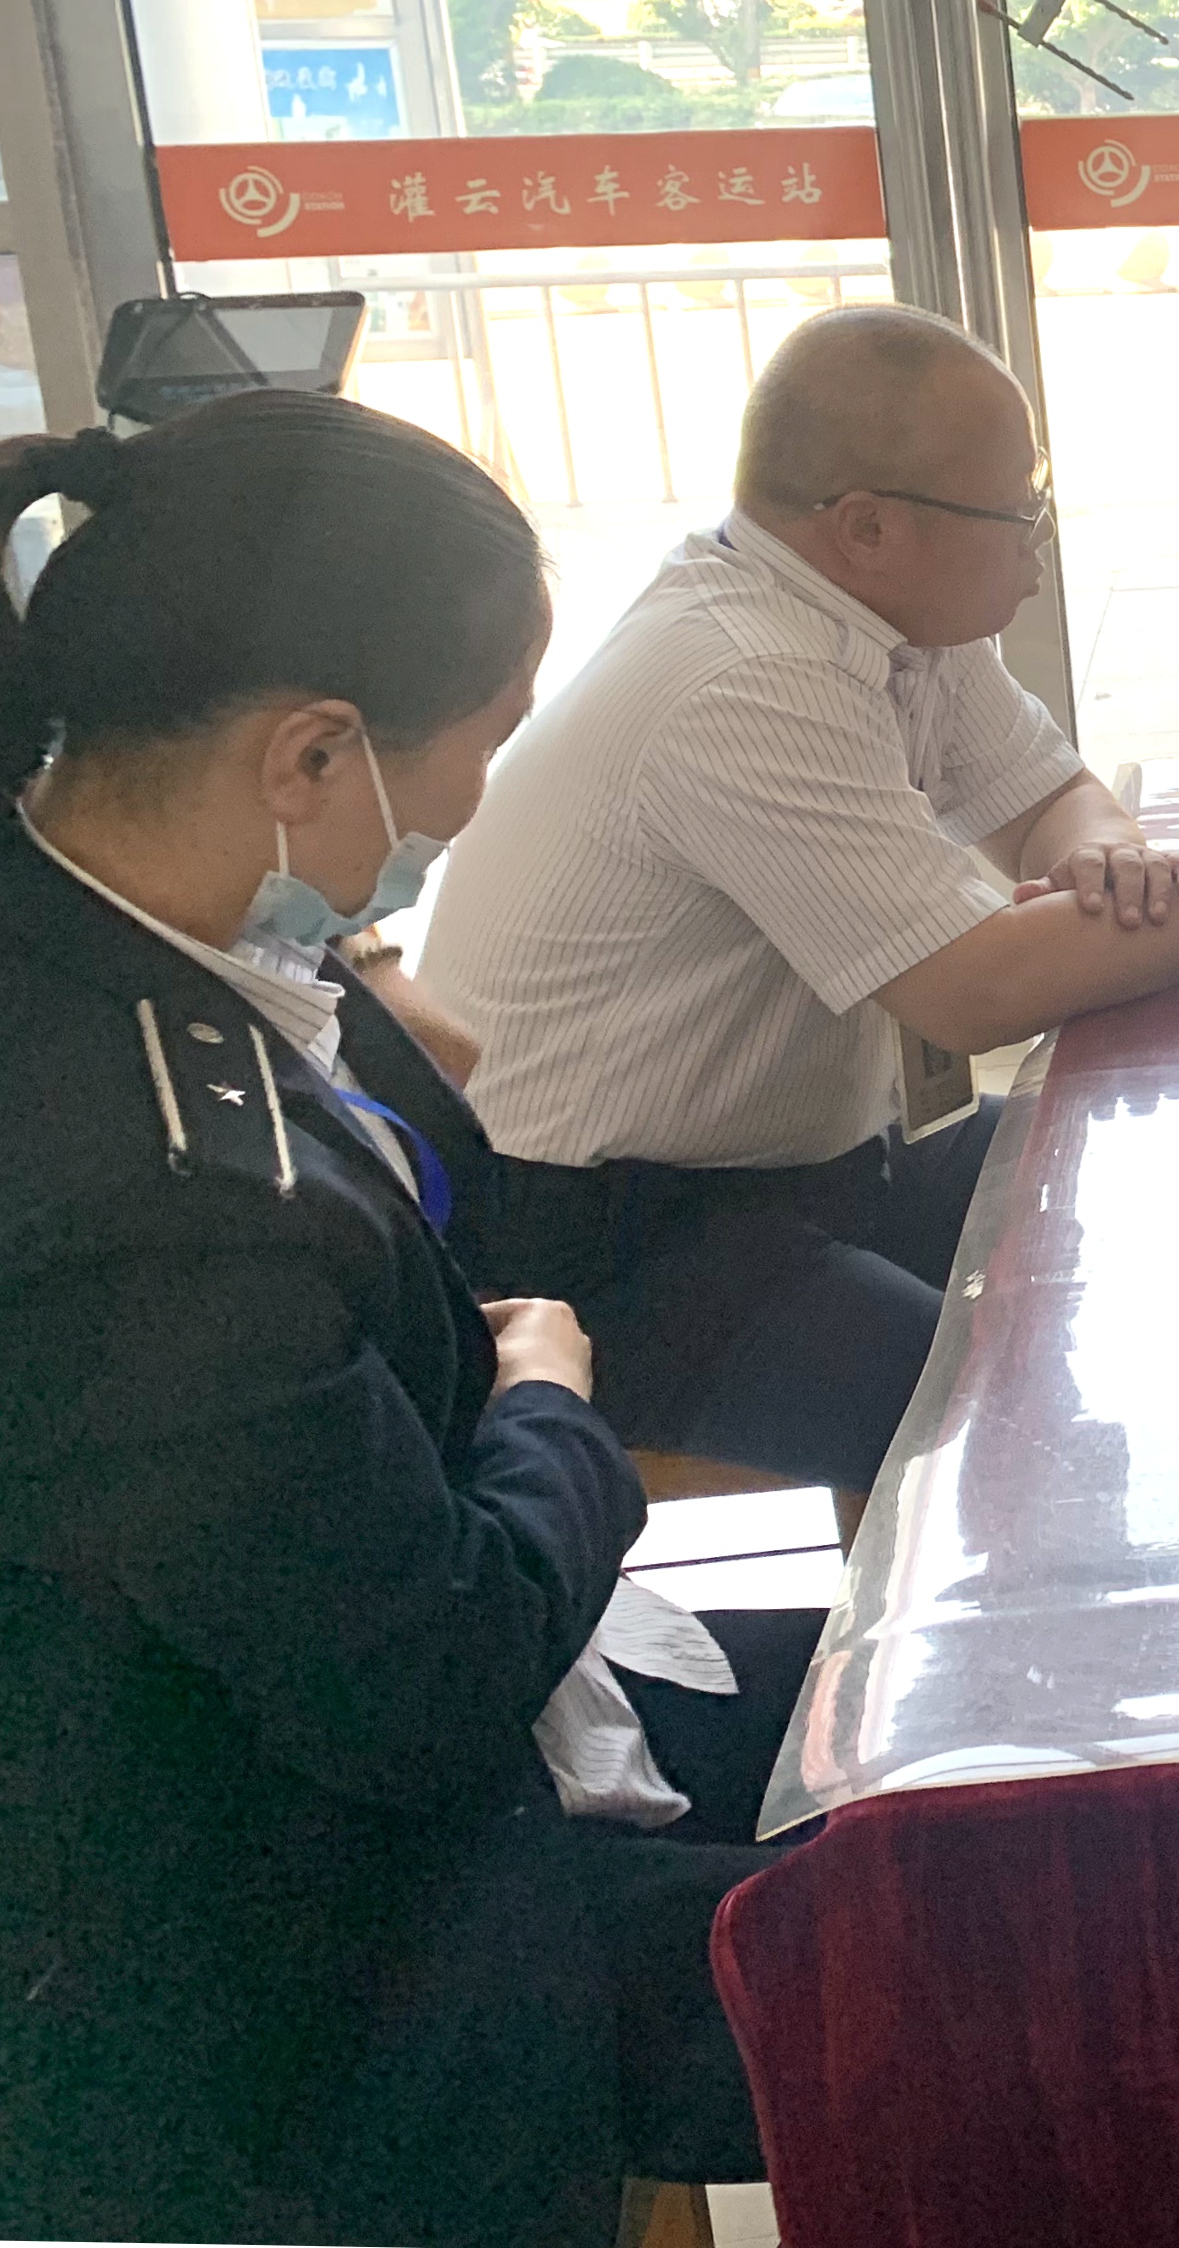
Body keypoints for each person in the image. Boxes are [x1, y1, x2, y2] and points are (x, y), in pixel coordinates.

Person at [0, 398, 802, 2246]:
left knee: (912, 1728)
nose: (473, 805)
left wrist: (352, 965)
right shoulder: (151, 1198)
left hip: (322, 1681)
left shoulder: (139, 925)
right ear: (309, 751)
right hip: (288, 1949)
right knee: (984, 1960)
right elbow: (433, 1676)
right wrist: (550, 1405)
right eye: (489, 740)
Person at [431, 305, 1179, 1491]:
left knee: (1132, 1197)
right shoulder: (747, 678)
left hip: (813, 1160)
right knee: (994, 1418)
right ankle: (1002, 1601)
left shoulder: (892, 619)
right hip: (606, 1236)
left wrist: (1111, 855)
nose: (1035, 550)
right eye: (1017, 513)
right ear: (869, 527)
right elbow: (976, 988)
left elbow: (1051, 796)